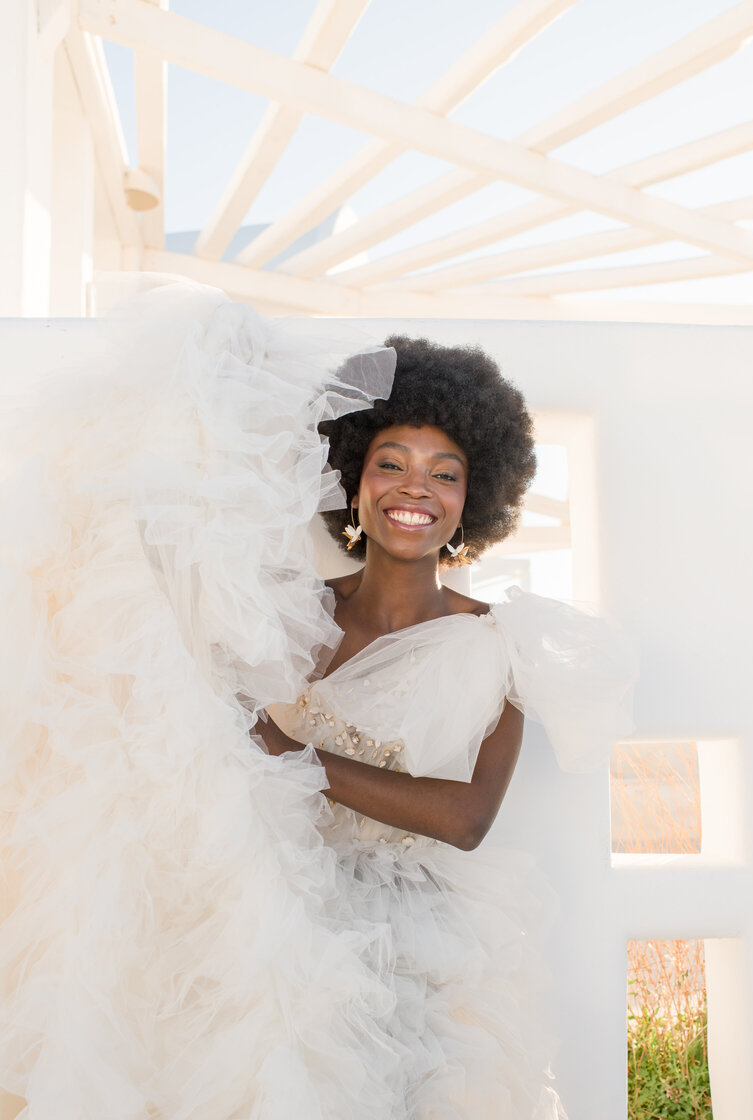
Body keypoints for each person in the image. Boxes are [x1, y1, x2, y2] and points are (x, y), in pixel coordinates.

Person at [0, 281, 636, 1119]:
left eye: (446, 474)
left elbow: (467, 819)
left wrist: (285, 750)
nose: (417, 490)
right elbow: (165, 558)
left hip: (414, 940)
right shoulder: (288, 611)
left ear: (474, 499)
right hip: (270, 914)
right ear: (355, 477)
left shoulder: (498, 642)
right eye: (392, 465)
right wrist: (205, 362)